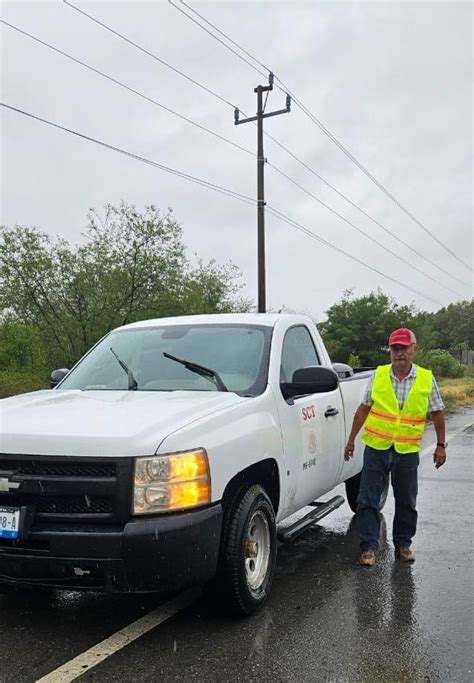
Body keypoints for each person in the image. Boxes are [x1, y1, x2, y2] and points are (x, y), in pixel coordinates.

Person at [344, 328, 447, 567]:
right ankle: (369, 547)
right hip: (377, 448)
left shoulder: (425, 378)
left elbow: (438, 413)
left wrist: (441, 445)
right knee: (367, 499)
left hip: (407, 451)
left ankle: (403, 545)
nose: (399, 353)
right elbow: (363, 409)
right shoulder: (379, 375)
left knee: (406, 500)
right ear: (390, 351)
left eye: (404, 348)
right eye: (395, 348)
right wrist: (351, 440)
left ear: (413, 349)